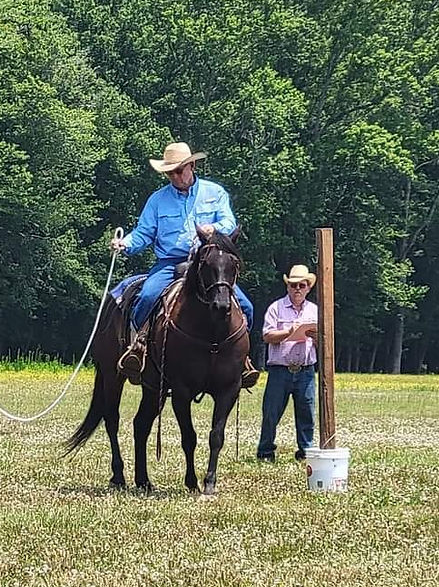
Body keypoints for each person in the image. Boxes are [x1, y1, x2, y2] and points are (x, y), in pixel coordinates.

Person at [110, 141, 260, 388]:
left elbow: (229, 222)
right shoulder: (157, 200)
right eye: (170, 172)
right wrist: (124, 244)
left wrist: (216, 228)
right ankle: (139, 348)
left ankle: (242, 359)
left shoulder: (215, 193)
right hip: (169, 263)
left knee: (246, 307)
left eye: (179, 170)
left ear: (192, 166)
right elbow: (143, 233)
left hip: (208, 264)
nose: (175, 176)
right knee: (147, 297)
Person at [256, 265, 319, 462]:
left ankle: (306, 452)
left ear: (308, 287)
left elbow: (324, 342)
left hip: (306, 370)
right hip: (279, 370)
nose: (297, 289)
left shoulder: (315, 310)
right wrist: (289, 332)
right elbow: (267, 335)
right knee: (271, 414)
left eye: (302, 285)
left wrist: (316, 337)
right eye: (293, 285)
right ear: (288, 287)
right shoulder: (276, 308)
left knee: (307, 413)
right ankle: (266, 452)